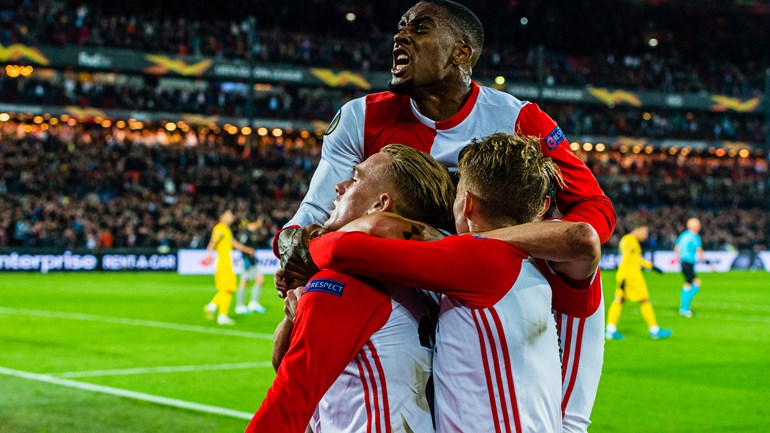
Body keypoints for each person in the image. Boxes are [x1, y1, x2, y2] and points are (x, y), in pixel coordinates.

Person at [275, 1, 616, 431]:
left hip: (493, 282)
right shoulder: (361, 117)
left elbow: (594, 209)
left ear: (460, 53)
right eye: (401, 26)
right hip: (411, 277)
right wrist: (292, 247)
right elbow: (313, 213)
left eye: (420, 28)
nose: (401, 36)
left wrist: (483, 246)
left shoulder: (518, 118)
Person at [309, 133, 603, 433]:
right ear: (541, 207)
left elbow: (337, 248)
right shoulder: (537, 270)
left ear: (467, 204)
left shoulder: (476, 260)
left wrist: (309, 242)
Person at [246, 144, 455, 433]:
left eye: (355, 179)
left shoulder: (347, 283)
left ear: (380, 206)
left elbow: (288, 403)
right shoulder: (429, 286)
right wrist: (296, 315)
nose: (340, 186)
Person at [605, 226, 672, 340]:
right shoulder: (629, 240)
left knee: (619, 300)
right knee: (644, 300)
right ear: (637, 230)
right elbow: (626, 260)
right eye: (644, 233)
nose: (645, 236)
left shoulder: (630, 241)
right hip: (631, 277)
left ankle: (610, 329)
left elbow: (636, 258)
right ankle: (654, 330)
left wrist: (651, 266)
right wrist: (623, 278)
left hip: (626, 275)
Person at [201, 210, 255, 325]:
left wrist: (247, 249)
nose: (232, 218)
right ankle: (218, 312)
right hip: (222, 263)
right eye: (229, 216)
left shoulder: (226, 230)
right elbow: (213, 242)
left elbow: (233, 244)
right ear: (222, 217)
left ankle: (214, 309)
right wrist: (208, 256)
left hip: (227, 263)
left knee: (229, 289)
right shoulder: (219, 228)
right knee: (226, 289)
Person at [675, 217, 709, 318]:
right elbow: (699, 250)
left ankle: (685, 306)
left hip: (683, 261)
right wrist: (705, 260)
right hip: (689, 262)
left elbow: (676, 248)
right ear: (694, 226)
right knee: (693, 283)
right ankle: (684, 307)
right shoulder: (695, 237)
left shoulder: (683, 235)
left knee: (689, 283)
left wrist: (681, 257)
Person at [234, 219, 266, 315]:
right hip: (247, 261)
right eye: (260, 221)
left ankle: (253, 303)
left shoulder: (253, 232)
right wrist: (248, 250)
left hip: (253, 260)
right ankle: (239, 306)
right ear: (256, 221)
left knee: (260, 280)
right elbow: (239, 245)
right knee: (244, 282)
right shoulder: (246, 232)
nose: (261, 223)